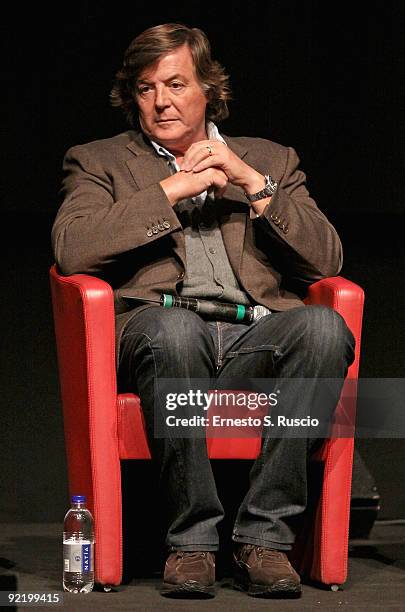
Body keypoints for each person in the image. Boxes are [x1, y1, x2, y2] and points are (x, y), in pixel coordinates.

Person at [52, 23, 355, 599]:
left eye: (175, 84)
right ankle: (191, 544)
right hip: (160, 332)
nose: (161, 101)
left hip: (253, 337)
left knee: (323, 327)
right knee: (174, 330)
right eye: (146, 88)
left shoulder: (269, 158)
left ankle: (265, 538)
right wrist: (171, 189)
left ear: (208, 90)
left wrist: (251, 182)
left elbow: (327, 259)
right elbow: (73, 247)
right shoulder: (100, 162)